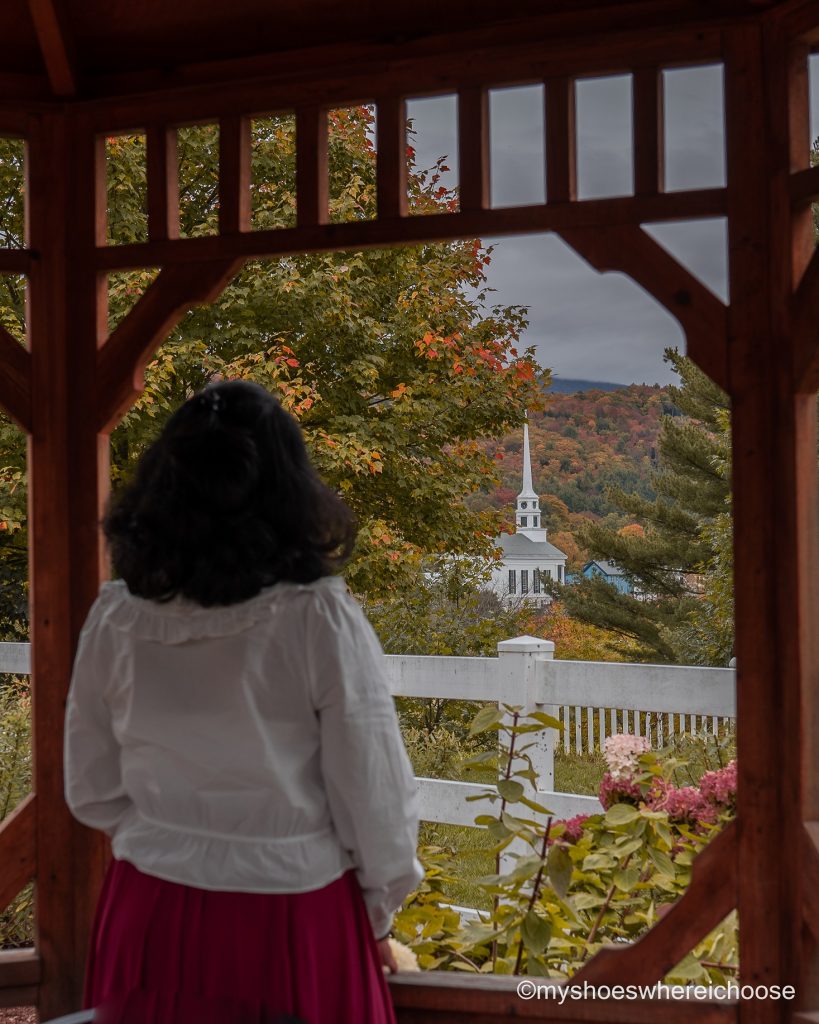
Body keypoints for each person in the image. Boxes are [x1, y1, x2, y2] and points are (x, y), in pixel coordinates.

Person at [64, 380, 423, 1024]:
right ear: (288, 491)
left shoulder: (116, 618)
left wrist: (173, 840)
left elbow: (90, 789)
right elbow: (376, 799)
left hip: (149, 910)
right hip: (289, 916)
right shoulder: (317, 618)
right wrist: (376, 916)